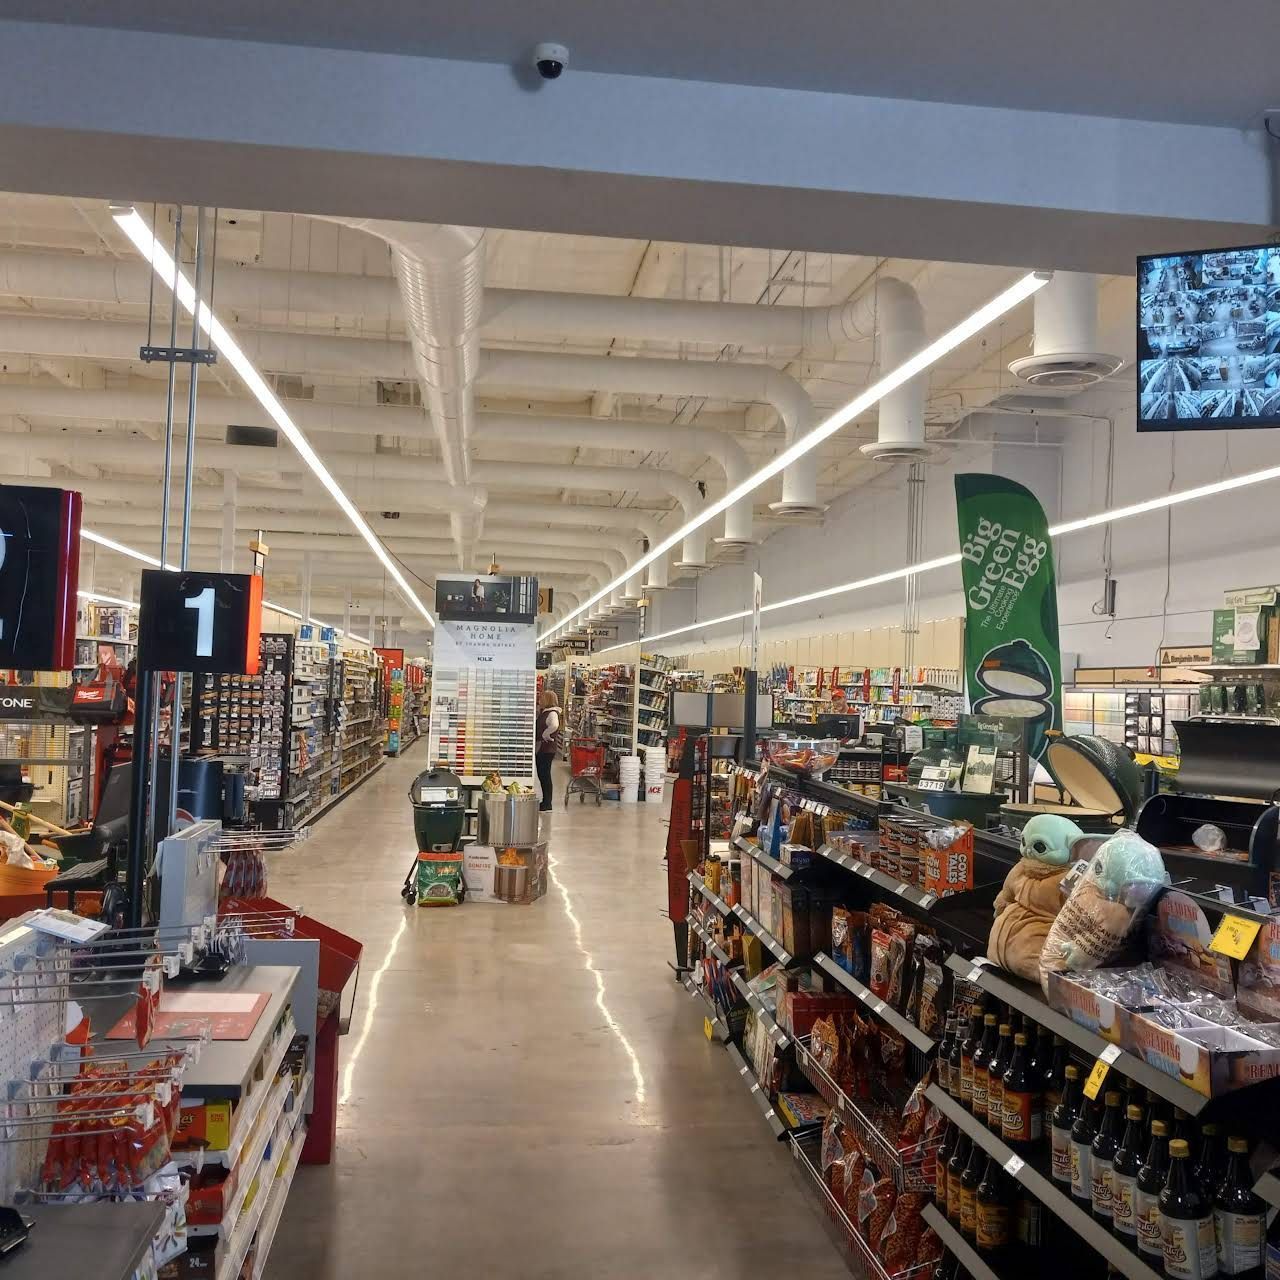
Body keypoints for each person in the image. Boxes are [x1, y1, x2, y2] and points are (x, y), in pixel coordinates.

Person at [535, 689, 562, 812]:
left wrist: (546, 734)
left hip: (546, 749)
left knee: (545, 775)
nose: (539, 700)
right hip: (544, 748)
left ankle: (547, 803)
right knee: (543, 775)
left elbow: (555, 725)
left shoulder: (552, 713)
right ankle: (546, 801)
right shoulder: (546, 712)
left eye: (541, 698)